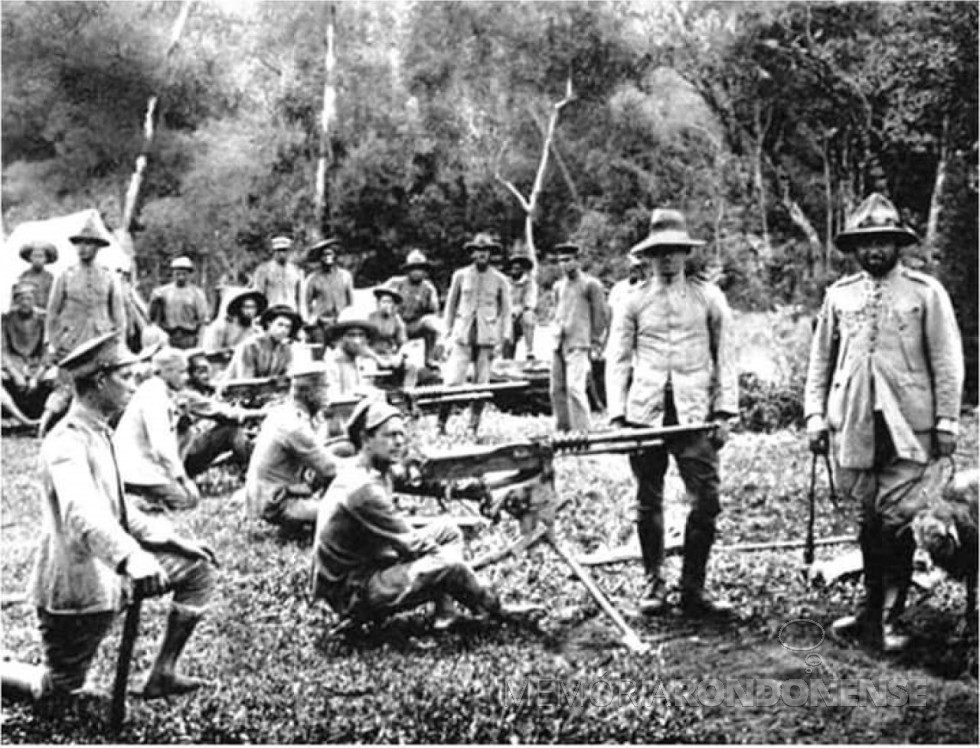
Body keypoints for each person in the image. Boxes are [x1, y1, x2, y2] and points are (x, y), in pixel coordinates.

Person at [0, 331, 216, 702]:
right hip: (80, 584)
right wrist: (132, 557)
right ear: (100, 380)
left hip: (118, 575)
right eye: (126, 378)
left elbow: (115, 507)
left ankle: (162, 673)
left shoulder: (100, 431)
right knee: (59, 691)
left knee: (197, 569)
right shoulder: (66, 441)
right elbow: (82, 513)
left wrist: (166, 538)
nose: (135, 387)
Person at [804, 193, 964, 652]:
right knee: (868, 519)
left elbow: (946, 361)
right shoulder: (840, 296)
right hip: (854, 422)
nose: (875, 251)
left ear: (898, 246)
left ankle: (894, 617)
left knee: (900, 520)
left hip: (909, 425)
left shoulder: (924, 293)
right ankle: (869, 608)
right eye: (867, 243)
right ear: (856, 248)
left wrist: (947, 421)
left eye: (883, 242)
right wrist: (816, 415)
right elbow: (820, 364)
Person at [605, 208, 738, 618]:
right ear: (647, 256)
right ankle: (653, 583)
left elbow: (726, 355)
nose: (666, 260)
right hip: (644, 413)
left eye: (674, 252)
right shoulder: (632, 299)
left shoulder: (708, 297)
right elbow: (618, 358)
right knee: (648, 501)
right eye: (659, 252)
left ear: (685, 254)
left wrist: (724, 412)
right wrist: (618, 416)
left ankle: (693, 588)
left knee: (706, 502)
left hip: (695, 413)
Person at [312, 398, 536, 629]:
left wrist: (476, 490)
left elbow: (423, 482)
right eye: (390, 435)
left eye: (401, 434)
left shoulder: (375, 469)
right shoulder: (362, 488)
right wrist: (457, 572)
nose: (399, 442)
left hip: (369, 565)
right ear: (365, 439)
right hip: (352, 591)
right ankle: (496, 610)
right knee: (448, 563)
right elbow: (412, 545)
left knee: (448, 531)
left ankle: (445, 613)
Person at [41, 220, 127, 436]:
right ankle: (45, 426)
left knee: (100, 383)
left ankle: (99, 427)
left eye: (89, 244)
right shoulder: (65, 275)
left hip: (100, 339)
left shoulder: (108, 276)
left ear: (97, 247)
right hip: (72, 339)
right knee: (67, 385)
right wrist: (52, 343)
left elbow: (118, 313)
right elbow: (52, 313)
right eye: (80, 244)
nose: (84, 249)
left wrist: (119, 340)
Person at [243, 364, 341, 531]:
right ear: (309, 393)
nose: (328, 396)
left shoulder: (285, 413)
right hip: (276, 504)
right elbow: (330, 469)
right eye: (325, 388)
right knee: (350, 512)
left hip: (268, 496)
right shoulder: (294, 425)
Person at [438, 233, 512, 435]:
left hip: (486, 336)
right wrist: (446, 334)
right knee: (452, 381)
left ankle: (473, 426)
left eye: (485, 251)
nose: (481, 254)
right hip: (462, 335)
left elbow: (506, 311)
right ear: (472, 253)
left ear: (491, 254)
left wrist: (504, 337)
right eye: (478, 251)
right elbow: (450, 308)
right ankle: (441, 423)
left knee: (481, 384)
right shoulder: (460, 276)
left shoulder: (500, 280)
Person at [114, 347, 201, 511]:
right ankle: (135, 499)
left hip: (145, 464)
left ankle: (142, 497)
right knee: (188, 501)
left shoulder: (161, 391)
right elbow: (161, 447)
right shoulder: (154, 394)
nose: (186, 377)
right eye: (181, 372)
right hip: (135, 468)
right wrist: (183, 479)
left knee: (189, 431)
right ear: (165, 372)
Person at [546, 242, 608, 433]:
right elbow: (556, 310)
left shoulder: (591, 285)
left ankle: (582, 430)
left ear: (577, 261)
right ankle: (563, 428)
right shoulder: (558, 286)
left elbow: (600, 315)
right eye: (560, 261)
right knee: (556, 389)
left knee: (575, 388)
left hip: (579, 342)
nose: (563, 265)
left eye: (567, 260)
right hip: (559, 341)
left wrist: (596, 341)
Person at [178, 349, 264, 479]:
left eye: (207, 371)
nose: (206, 376)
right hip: (185, 454)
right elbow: (225, 414)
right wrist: (262, 413)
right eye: (200, 372)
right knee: (231, 429)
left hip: (186, 450)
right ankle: (253, 473)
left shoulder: (201, 391)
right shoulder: (188, 395)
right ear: (190, 375)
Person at [2, 281, 55, 420]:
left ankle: (46, 417)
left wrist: (36, 376)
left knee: (57, 377)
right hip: (14, 363)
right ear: (15, 301)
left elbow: (48, 349)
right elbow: (3, 350)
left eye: (29, 298)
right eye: (21, 298)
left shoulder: (44, 318)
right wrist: (15, 373)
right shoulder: (6, 319)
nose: (25, 302)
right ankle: (13, 414)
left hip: (37, 363)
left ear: (35, 300)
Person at [388, 250, 443, 369]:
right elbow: (382, 299)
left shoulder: (428, 288)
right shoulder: (396, 283)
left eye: (420, 269)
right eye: (413, 268)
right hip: (396, 324)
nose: (417, 272)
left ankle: (429, 357)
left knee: (431, 323)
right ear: (407, 270)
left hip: (414, 325)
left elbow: (434, 311)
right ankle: (391, 356)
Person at [223, 304, 302, 381]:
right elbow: (245, 379)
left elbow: (286, 376)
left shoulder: (285, 349)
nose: (283, 330)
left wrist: (279, 381)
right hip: (235, 389)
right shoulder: (251, 345)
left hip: (268, 390)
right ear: (269, 324)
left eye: (287, 327)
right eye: (280, 325)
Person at [149, 257, 210, 350]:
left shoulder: (197, 294)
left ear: (190, 275)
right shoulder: (162, 292)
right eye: (178, 273)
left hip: (189, 338)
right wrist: (154, 302)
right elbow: (152, 318)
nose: (181, 277)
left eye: (184, 274)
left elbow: (203, 322)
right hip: (168, 337)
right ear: (173, 274)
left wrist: (200, 344)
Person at [367, 281, 419, 388]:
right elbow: (363, 345)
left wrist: (399, 356)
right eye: (384, 302)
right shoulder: (369, 318)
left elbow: (404, 343)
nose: (387, 305)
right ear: (378, 303)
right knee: (369, 367)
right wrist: (377, 358)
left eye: (390, 302)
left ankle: (407, 395)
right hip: (372, 356)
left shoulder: (396, 319)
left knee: (411, 365)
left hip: (389, 355)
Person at [303, 237, 355, 346]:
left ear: (335, 256)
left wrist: (349, 317)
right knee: (319, 349)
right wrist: (310, 319)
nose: (327, 258)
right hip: (321, 322)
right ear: (320, 258)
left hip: (340, 321)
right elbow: (306, 302)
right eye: (324, 255)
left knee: (340, 349)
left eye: (330, 254)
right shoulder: (313, 278)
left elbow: (351, 302)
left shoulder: (345, 276)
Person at [203, 288, 267, 357]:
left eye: (253, 307)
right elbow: (209, 351)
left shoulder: (256, 331)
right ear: (238, 308)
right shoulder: (222, 326)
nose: (250, 311)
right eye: (246, 307)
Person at [502, 246, 539, 361]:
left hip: (522, 315)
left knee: (529, 317)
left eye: (518, 267)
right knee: (506, 327)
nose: (515, 270)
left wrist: (519, 309)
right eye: (513, 267)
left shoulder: (529, 283)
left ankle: (529, 351)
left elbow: (530, 302)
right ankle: (506, 356)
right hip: (507, 315)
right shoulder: (504, 282)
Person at [252, 234, 303, 311]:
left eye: (284, 250)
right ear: (274, 251)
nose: (282, 254)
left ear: (289, 251)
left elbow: (300, 297)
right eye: (279, 250)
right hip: (271, 310)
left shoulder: (296, 271)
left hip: (291, 311)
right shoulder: (264, 270)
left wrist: (301, 314)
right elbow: (258, 295)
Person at [16, 241, 57, 310]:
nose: (37, 259)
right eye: (35, 256)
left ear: (46, 259)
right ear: (30, 258)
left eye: (40, 256)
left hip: (43, 313)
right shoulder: (24, 277)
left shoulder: (50, 278)